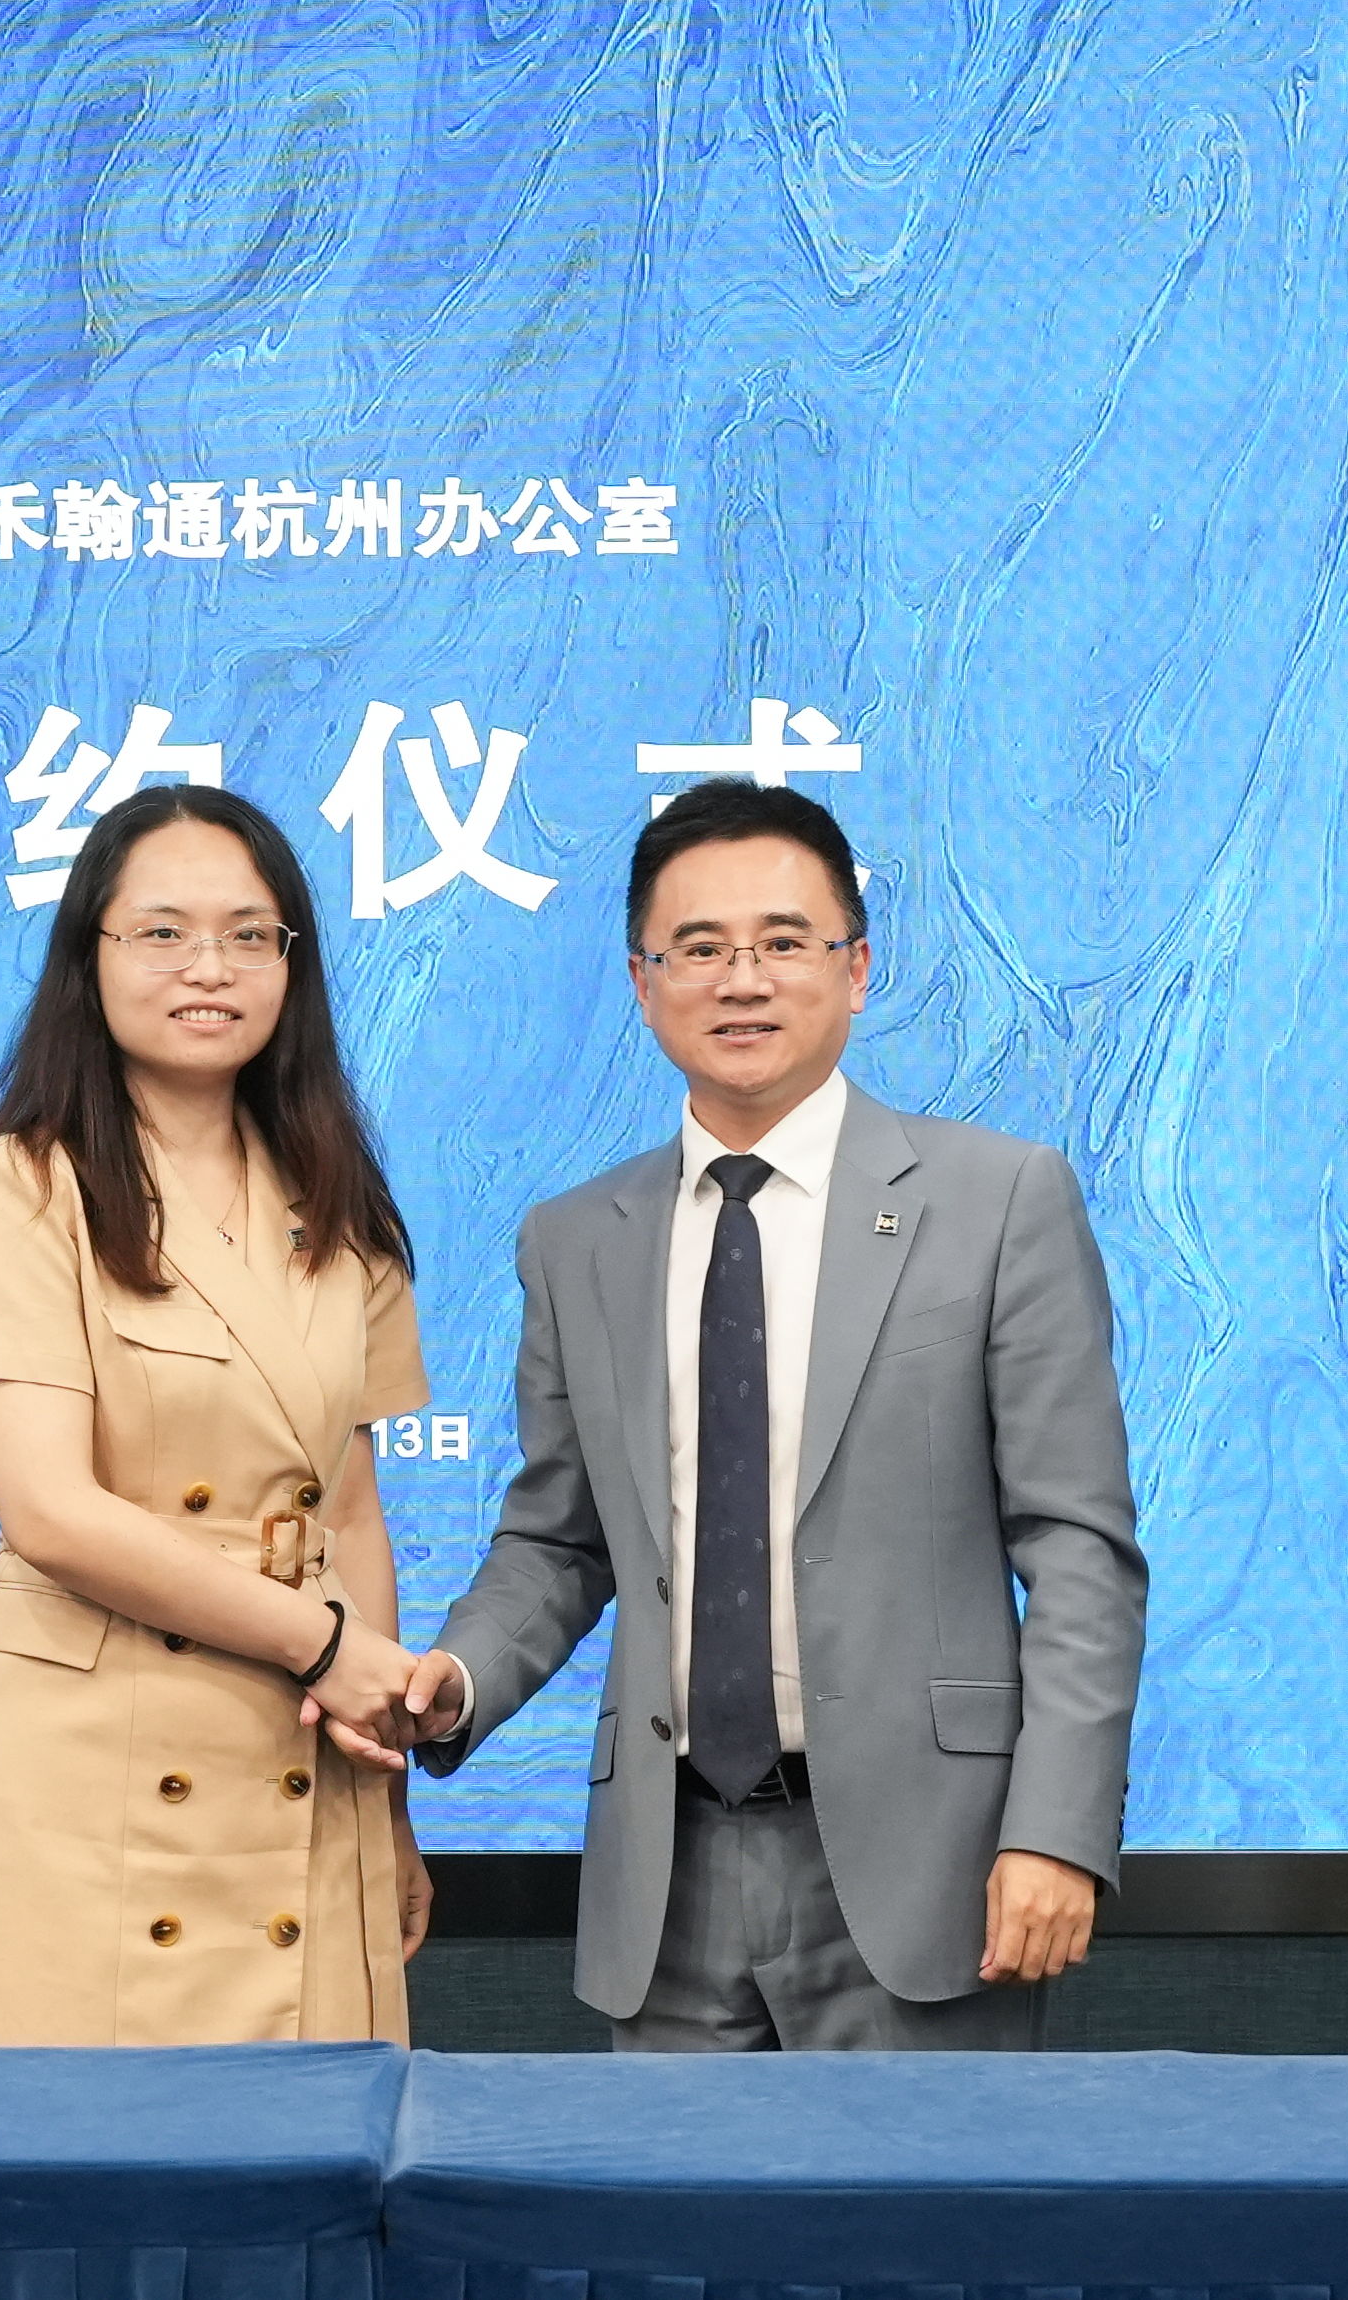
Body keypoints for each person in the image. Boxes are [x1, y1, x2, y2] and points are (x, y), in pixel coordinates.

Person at [401, 778, 1147, 2050]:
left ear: (855, 968)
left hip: (933, 1865)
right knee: (667, 2194)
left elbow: (1077, 1546)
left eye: (782, 942)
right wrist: (457, 1674)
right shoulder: (576, 1239)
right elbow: (561, 1538)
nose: (740, 979)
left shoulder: (998, 1199)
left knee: (918, 2193)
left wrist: (1055, 1827)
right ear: (641, 984)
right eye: (697, 948)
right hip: (666, 1871)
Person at [0, 783, 436, 2047]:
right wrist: (319, 1645)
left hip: (300, 1762)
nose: (210, 966)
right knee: (64, 2144)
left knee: (300, 2146)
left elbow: (350, 1510)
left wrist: (389, 1787)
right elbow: (50, 1511)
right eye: (162, 931)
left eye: (250, 935)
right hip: (77, 1769)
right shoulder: (16, 1184)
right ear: (88, 956)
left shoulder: (336, 1201)